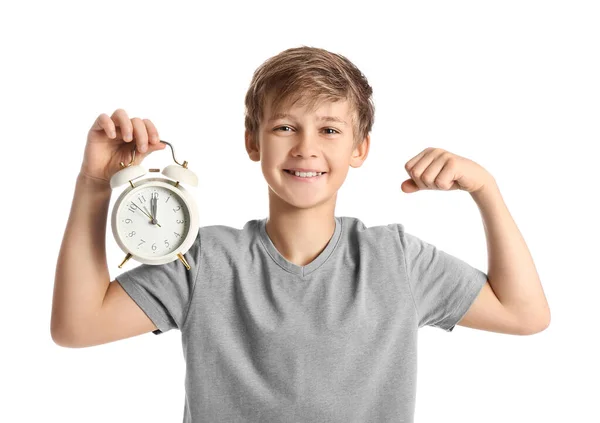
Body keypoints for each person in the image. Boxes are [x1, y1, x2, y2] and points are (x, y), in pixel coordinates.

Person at [52, 46, 550, 422]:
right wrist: (95, 184)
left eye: (330, 130)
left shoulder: (394, 259)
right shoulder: (204, 261)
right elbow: (77, 326)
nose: (306, 148)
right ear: (253, 141)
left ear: (360, 148)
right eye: (285, 127)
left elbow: (525, 314)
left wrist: (486, 189)